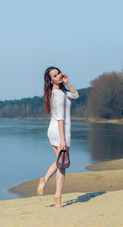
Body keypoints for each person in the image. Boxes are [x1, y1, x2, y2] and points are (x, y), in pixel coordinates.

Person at [37, 66, 79, 208]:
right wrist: (62, 139)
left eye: (59, 73)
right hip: (59, 131)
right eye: (55, 76)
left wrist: (67, 82)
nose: (59, 76)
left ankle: (45, 180)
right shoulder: (59, 95)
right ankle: (57, 196)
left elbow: (75, 95)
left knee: (60, 161)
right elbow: (60, 118)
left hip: (58, 131)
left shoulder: (59, 92)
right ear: (51, 81)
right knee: (62, 165)